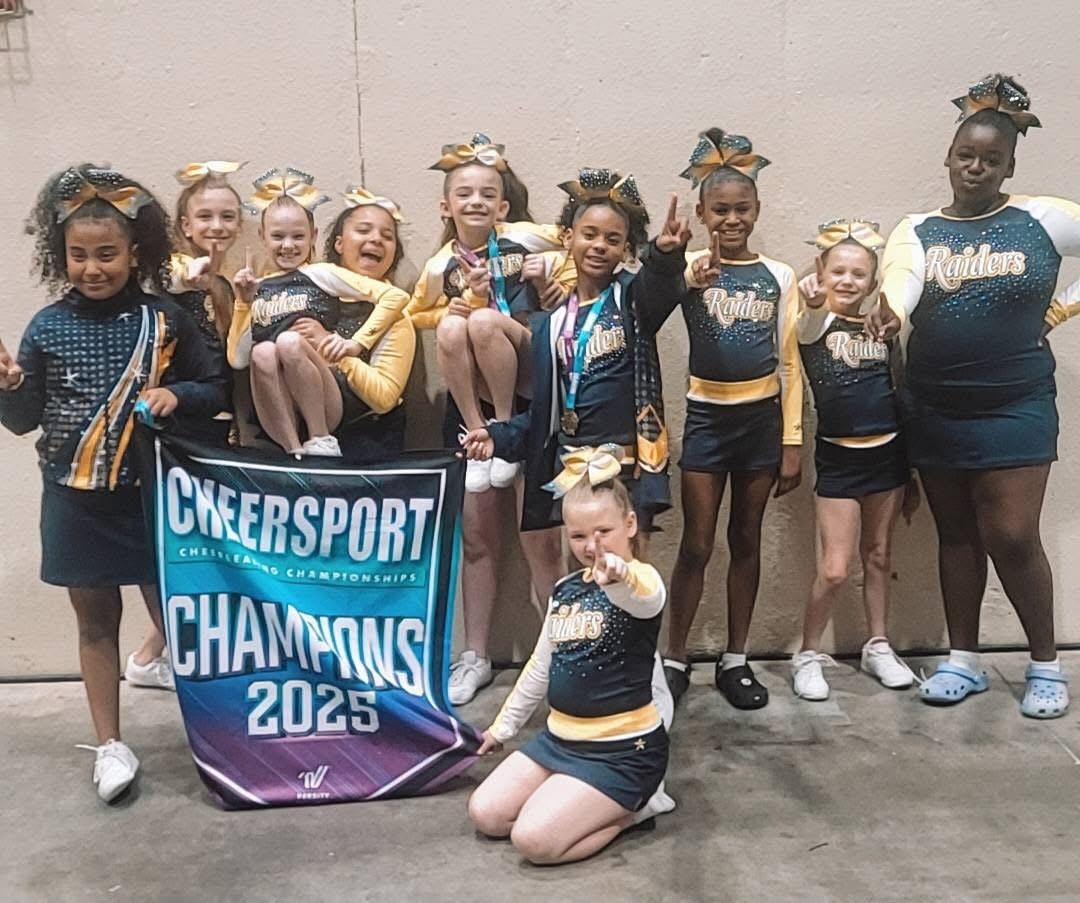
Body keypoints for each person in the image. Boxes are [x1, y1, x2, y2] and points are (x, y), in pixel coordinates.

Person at [0, 164, 227, 801]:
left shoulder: (167, 319)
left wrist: (177, 395)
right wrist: (9, 386)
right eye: (79, 256)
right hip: (74, 500)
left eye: (107, 254)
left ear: (135, 253)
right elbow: (22, 421)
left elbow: (215, 388)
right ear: (61, 256)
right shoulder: (46, 327)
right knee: (96, 623)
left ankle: (215, 734)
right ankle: (109, 744)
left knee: (179, 621)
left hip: (152, 498)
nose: (92, 268)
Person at [874, 74, 1079, 718]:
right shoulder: (918, 228)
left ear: (1010, 165)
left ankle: (1045, 664)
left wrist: (1063, 309)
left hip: (1016, 403)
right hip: (936, 404)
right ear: (948, 157)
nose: (977, 167)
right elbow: (902, 277)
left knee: (1012, 535)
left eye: (992, 159)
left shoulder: (1042, 218)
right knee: (957, 534)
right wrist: (890, 311)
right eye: (966, 155)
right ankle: (963, 659)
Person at [408, 134, 566, 704]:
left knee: (540, 539)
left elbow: (573, 251)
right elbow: (413, 313)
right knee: (476, 536)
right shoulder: (440, 266)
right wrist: (442, 312)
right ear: (445, 205)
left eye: (486, 193)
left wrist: (553, 282)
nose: (474, 201)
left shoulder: (526, 243)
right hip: (469, 405)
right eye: (463, 193)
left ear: (503, 203)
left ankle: (562, 652)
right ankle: (474, 654)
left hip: (528, 402)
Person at [650, 129, 802, 710]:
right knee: (696, 542)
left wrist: (792, 439)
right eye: (720, 210)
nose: (731, 219)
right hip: (707, 420)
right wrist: (676, 268)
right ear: (701, 214)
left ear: (757, 210)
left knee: (746, 538)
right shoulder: (691, 268)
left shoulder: (778, 275)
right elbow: (648, 308)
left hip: (761, 422)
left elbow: (790, 360)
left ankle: (736, 658)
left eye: (742, 209)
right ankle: (675, 656)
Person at [467, 456, 675, 865]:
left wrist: (621, 573)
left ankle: (638, 807)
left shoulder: (641, 581)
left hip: (622, 751)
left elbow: (645, 596)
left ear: (630, 525)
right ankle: (574, 797)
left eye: (604, 532)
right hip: (560, 741)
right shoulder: (566, 589)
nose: (592, 546)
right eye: (578, 535)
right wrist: (502, 727)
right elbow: (540, 666)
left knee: (533, 841)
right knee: (486, 814)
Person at [461, 168, 687, 539]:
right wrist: (496, 436)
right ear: (568, 237)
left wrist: (664, 255)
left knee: (626, 567)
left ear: (626, 249)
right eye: (589, 234)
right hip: (571, 469)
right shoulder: (551, 324)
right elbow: (543, 414)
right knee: (582, 564)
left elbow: (659, 288)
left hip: (625, 468)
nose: (599, 245)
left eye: (613, 239)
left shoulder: (631, 300)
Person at [791, 220, 917, 699]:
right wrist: (812, 301)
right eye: (837, 271)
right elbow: (807, 321)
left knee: (879, 556)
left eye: (858, 274)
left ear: (872, 281)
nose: (847, 280)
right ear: (820, 272)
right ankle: (807, 653)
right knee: (835, 569)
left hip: (888, 457)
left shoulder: (883, 329)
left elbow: (898, 389)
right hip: (839, 461)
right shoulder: (815, 323)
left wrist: (911, 469)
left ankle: (878, 644)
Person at [229, 168, 407, 458]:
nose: (288, 245)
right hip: (277, 410)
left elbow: (395, 296)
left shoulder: (321, 274)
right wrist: (243, 303)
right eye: (278, 236)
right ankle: (294, 451)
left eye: (298, 236)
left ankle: (320, 438)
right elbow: (238, 360)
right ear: (262, 236)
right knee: (262, 352)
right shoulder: (256, 288)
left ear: (313, 236)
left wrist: (355, 343)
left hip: (326, 403)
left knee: (289, 342)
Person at [292, 186, 417, 461]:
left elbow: (384, 399)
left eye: (387, 236)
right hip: (302, 438)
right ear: (339, 244)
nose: (376, 239)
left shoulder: (396, 316)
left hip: (368, 445)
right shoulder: (308, 298)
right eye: (363, 230)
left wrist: (334, 350)